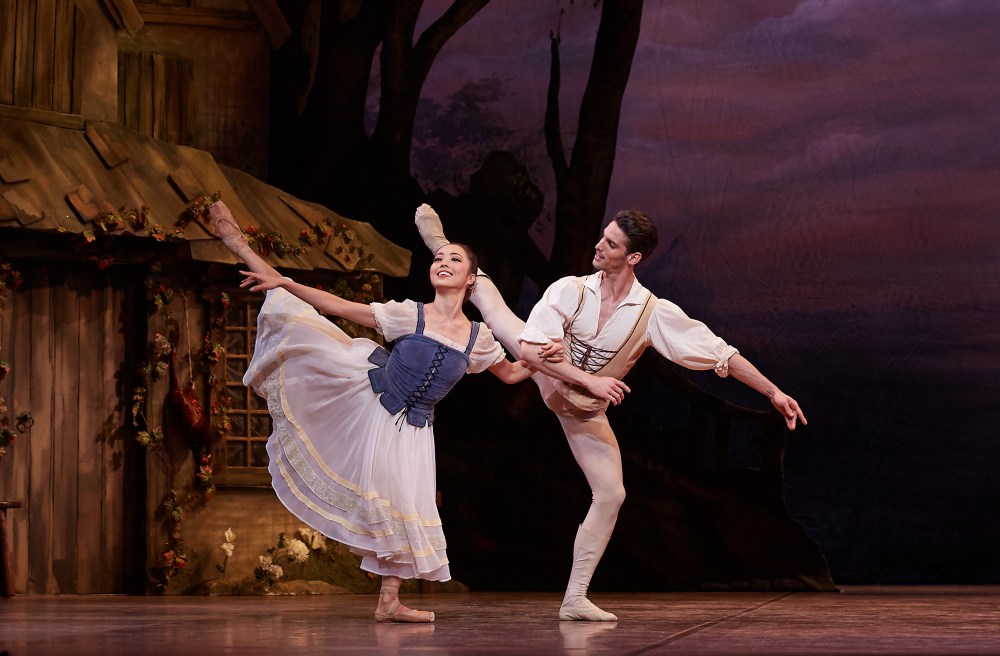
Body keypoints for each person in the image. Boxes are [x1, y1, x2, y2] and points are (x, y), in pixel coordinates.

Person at [414, 204, 807, 622]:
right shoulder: (572, 289)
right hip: (548, 376)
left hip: (582, 411)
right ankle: (440, 242)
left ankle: (575, 598)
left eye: (612, 244)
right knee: (490, 302)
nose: (599, 246)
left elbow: (719, 353)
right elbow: (530, 351)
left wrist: (773, 392)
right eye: (603, 236)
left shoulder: (652, 313)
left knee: (612, 493)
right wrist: (590, 379)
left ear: (633, 257)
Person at [208, 200, 560, 623]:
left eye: (455, 260)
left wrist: (550, 355)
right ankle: (239, 244)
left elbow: (511, 374)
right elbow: (337, 306)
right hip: (370, 401)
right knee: (298, 316)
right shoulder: (407, 314)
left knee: (405, 504)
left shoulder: (478, 339)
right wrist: (283, 279)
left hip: (413, 430)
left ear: (471, 280)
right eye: (440, 257)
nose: (443, 263)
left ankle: (388, 602)